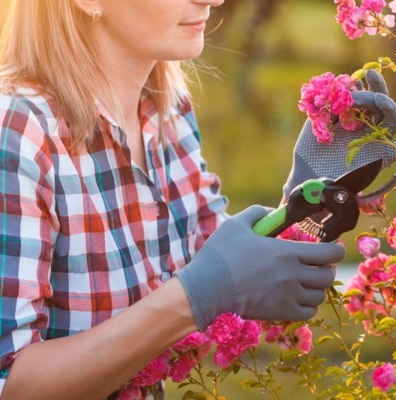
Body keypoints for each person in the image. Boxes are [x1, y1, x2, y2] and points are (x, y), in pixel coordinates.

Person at [0, 1, 347, 399]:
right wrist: (194, 297)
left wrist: (317, 191)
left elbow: (225, 263)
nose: (213, 0)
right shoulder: (18, 132)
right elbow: (12, 384)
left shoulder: (167, 108)